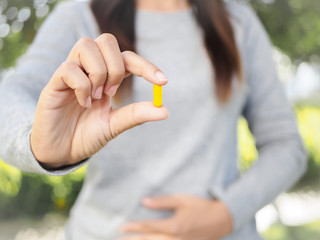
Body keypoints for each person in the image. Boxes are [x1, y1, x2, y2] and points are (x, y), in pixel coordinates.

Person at [0, 0, 307, 239]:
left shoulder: (238, 23)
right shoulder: (80, 15)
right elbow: (10, 95)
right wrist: (38, 142)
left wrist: (224, 215)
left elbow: (285, 145)